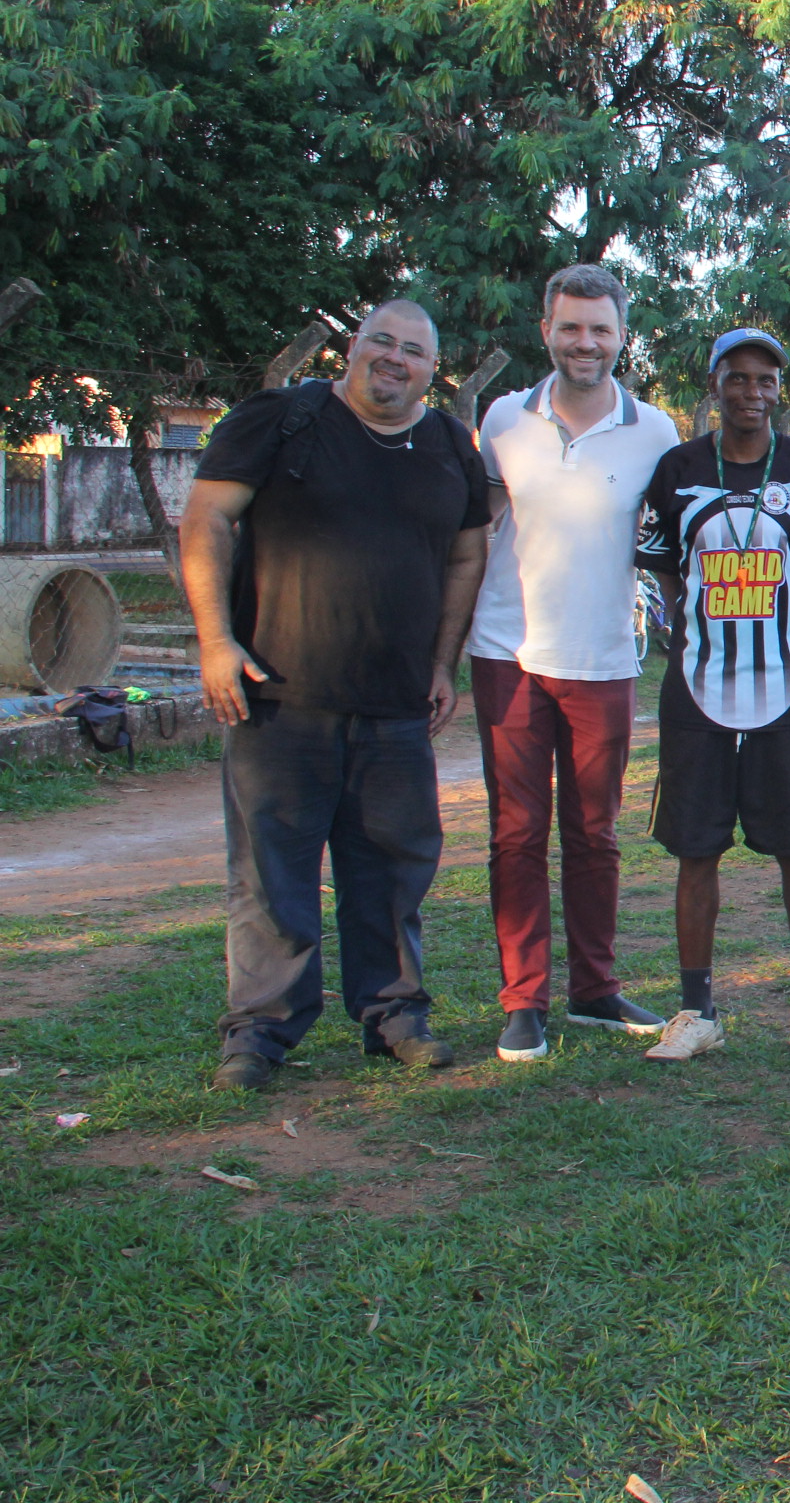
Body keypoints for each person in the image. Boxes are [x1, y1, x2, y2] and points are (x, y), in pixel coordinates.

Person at [180, 301, 489, 1088]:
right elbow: (208, 518)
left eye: (412, 350)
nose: (393, 358)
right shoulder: (282, 419)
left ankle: (394, 1017)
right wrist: (216, 642)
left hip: (394, 707)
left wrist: (443, 662)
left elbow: (464, 557)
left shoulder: (451, 445)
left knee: (391, 872)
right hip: (277, 698)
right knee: (269, 875)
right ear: (353, 348)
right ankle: (259, 1032)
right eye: (380, 341)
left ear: (432, 368)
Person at [466, 264, 679, 1060]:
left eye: (600, 329)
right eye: (570, 327)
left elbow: (669, 548)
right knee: (516, 834)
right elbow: (474, 530)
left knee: (595, 834)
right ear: (545, 330)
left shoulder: (654, 431)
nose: (584, 342)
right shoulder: (502, 419)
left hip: (605, 659)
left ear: (623, 336)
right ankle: (523, 1001)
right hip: (507, 654)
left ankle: (594, 990)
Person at [633, 328, 790, 1065]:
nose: (753, 393)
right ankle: (697, 1011)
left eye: (766, 381)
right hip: (696, 693)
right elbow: (665, 570)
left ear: (778, 391)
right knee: (698, 850)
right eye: (739, 379)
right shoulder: (679, 469)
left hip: (786, 692)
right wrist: (696, 632)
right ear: (715, 386)